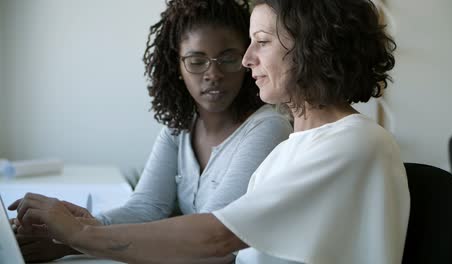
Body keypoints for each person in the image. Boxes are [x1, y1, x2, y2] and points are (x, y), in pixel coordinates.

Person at [10, 0, 410, 263]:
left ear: (312, 48)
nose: (248, 59)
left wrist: (80, 235)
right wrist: (84, 234)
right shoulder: (297, 146)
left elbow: (218, 239)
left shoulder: (354, 143)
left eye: (262, 42)